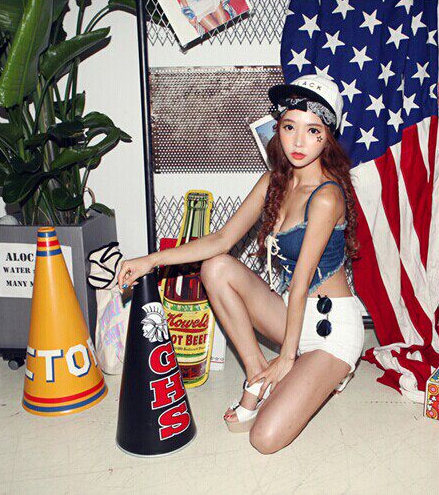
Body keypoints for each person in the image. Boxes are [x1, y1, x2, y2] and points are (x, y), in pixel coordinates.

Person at [117, 75, 365, 454]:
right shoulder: (273, 182)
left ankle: (319, 370)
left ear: (328, 137)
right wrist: (151, 259)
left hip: (331, 329)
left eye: (312, 131)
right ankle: (255, 373)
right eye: (290, 127)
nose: (298, 142)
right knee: (215, 266)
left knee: (263, 440)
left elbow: (301, 282)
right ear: (278, 129)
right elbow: (221, 239)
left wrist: (286, 359)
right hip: (290, 314)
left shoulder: (327, 196)